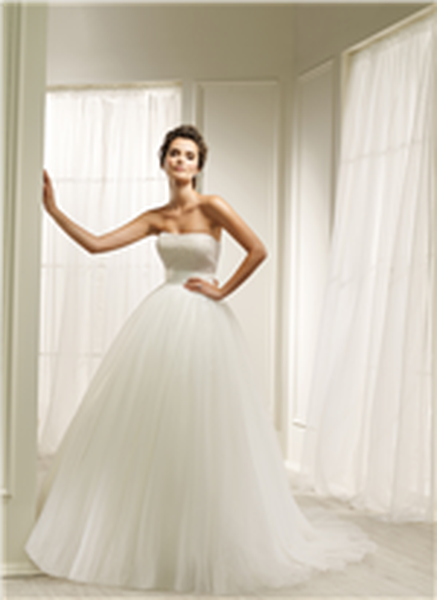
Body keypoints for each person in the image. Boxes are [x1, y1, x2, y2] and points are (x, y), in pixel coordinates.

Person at [25, 124, 375, 595]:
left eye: (189, 155)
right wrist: (53, 210)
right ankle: (155, 535)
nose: (181, 161)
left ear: (199, 164)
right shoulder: (155, 216)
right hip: (161, 320)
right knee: (155, 428)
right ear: (164, 160)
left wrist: (221, 289)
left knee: (205, 430)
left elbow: (258, 250)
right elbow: (95, 245)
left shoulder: (213, 206)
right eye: (174, 153)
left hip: (204, 325)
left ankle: (209, 536)